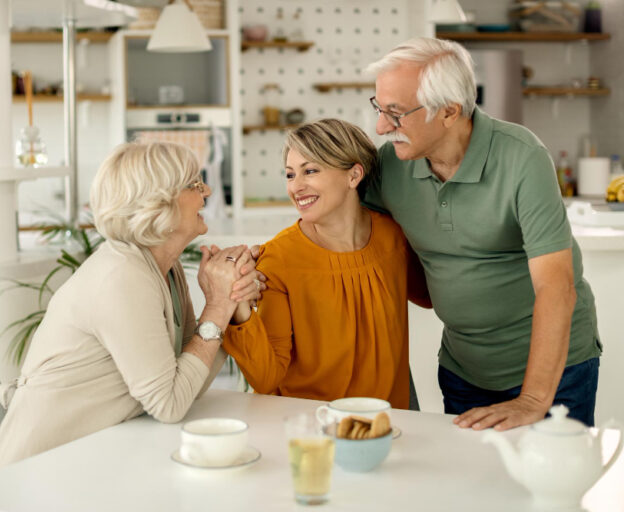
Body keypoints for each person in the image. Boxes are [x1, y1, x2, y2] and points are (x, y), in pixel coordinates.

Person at [362, 37, 601, 429]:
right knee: (473, 487)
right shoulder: (392, 165)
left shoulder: (522, 157)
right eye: (379, 108)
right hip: (464, 369)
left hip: (555, 377)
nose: (381, 126)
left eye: (396, 112)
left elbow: (557, 287)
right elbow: (350, 232)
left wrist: (532, 400)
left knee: (550, 486)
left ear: (449, 112)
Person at [0, 141, 263, 470]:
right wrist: (218, 306)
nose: (208, 189)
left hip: (88, 459)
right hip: (35, 473)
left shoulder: (165, 268)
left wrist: (230, 300)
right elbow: (169, 404)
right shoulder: (122, 277)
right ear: (159, 202)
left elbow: (187, 384)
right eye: (194, 183)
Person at [223, 119, 430, 408]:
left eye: (310, 171)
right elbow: (266, 377)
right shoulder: (279, 259)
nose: (296, 187)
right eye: (290, 175)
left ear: (354, 175)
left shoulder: (394, 237)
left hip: (390, 420)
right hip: (311, 426)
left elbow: (431, 297)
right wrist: (239, 306)